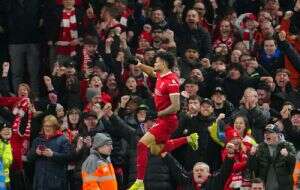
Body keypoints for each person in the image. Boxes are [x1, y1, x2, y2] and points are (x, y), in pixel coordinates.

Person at [129, 52, 198, 189]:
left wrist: (158, 113)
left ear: (164, 63)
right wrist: (138, 64)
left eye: (157, 61)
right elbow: (151, 72)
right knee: (156, 150)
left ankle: (139, 182)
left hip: (168, 121)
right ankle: (189, 139)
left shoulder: (172, 81)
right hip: (163, 119)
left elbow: (176, 106)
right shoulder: (161, 74)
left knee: (141, 145)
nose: (154, 63)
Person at [159, 142, 235, 190]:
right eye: (196, 170)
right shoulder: (187, 180)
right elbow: (175, 168)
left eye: (201, 170)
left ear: (208, 173)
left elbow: (225, 170)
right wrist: (164, 153)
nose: (199, 172)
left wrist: (230, 155)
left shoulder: (215, 181)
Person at [27, 115, 72, 190]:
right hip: (40, 182)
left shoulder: (63, 140)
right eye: (45, 126)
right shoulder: (38, 140)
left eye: (50, 126)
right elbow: (29, 158)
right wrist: (36, 153)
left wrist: (53, 154)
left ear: (55, 127)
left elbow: (68, 158)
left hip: (56, 183)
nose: (47, 128)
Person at [248, 124, 296, 190]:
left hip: (283, 187)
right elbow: (252, 168)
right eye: (265, 133)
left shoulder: (288, 146)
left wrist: (287, 155)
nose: (267, 134)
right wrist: (252, 155)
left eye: (270, 132)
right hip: (264, 187)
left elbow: (293, 166)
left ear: (278, 134)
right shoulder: (260, 147)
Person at [0, 122, 13, 189]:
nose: (7, 131)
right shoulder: (2, 144)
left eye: (9, 129)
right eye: (4, 130)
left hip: (6, 178)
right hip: (2, 181)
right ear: (0, 133)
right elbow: (6, 162)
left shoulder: (9, 143)